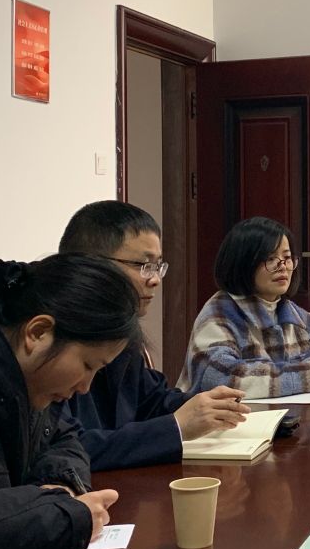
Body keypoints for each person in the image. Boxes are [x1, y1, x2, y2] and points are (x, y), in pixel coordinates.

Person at [0, 253, 140, 549]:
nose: (85, 387)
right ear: (38, 332)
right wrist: (63, 514)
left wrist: (60, 485)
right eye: (88, 365)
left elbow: (64, 438)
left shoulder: (23, 379)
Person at [54, 201, 250, 470]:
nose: (155, 279)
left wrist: (208, 407)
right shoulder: (53, 340)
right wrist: (176, 427)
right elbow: (67, 450)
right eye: (143, 265)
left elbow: (151, 401)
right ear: (92, 265)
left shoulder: (123, 334)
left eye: (158, 266)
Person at [177, 216, 310, 397]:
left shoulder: (290, 311)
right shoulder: (220, 313)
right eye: (270, 258)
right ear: (243, 263)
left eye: (287, 258)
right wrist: (306, 377)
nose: (282, 267)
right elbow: (219, 376)